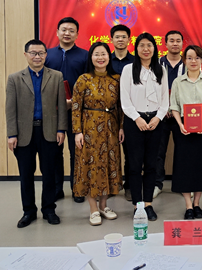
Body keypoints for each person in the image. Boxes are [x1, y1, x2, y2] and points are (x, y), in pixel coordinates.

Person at [6, 39, 67, 228]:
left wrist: (61, 129)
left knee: (49, 173)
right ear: (26, 55)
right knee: (26, 174)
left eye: (41, 53)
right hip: (24, 133)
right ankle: (28, 211)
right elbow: (10, 109)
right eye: (33, 53)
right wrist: (12, 134)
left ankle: (49, 209)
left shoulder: (56, 76)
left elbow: (62, 106)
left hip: (49, 131)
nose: (37, 57)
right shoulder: (15, 78)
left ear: (46, 55)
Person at [72, 42, 124, 225]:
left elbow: (121, 107)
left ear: (109, 57)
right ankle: (93, 209)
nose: (100, 58)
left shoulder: (116, 79)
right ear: (91, 57)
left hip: (111, 129)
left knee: (109, 166)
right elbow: (76, 107)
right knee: (90, 166)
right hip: (89, 130)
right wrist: (77, 131)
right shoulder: (83, 79)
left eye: (104, 54)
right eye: (96, 54)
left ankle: (103, 205)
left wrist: (121, 127)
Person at [120, 32, 169, 221]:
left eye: (149, 45)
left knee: (151, 165)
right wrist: (137, 118)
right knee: (134, 165)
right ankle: (137, 205)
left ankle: (148, 204)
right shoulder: (128, 70)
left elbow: (165, 98)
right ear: (136, 48)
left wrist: (158, 118)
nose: (146, 49)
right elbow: (125, 99)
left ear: (154, 48)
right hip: (134, 122)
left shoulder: (161, 70)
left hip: (155, 121)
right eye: (142, 45)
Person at [170, 45, 202, 220]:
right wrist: (179, 123)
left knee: (201, 166)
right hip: (183, 128)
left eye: (197, 57)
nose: (193, 61)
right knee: (184, 166)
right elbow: (174, 106)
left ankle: (197, 203)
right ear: (184, 60)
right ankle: (188, 205)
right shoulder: (178, 82)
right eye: (189, 57)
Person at [45, 17, 89, 203]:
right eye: (64, 30)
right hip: (52, 111)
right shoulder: (47, 55)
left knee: (76, 151)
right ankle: (57, 189)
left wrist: (75, 103)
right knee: (54, 151)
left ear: (77, 34)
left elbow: (88, 83)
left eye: (71, 30)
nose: (67, 33)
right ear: (57, 32)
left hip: (76, 111)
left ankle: (76, 189)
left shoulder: (85, 55)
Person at [154, 30, 185, 199]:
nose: (175, 43)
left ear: (182, 44)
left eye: (178, 40)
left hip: (182, 116)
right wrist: (163, 109)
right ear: (165, 44)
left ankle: (182, 185)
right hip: (160, 116)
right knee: (158, 152)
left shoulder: (188, 64)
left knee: (182, 151)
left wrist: (176, 109)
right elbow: (151, 90)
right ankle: (157, 184)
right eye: (171, 40)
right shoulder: (157, 64)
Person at [109, 24, 134, 201]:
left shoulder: (135, 61)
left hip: (130, 111)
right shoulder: (105, 59)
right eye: (117, 37)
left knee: (130, 152)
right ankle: (110, 186)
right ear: (111, 39)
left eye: (124, 37)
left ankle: (130, 186)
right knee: (109, 150)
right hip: (108, 111)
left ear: (129, 40)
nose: (120, 40)